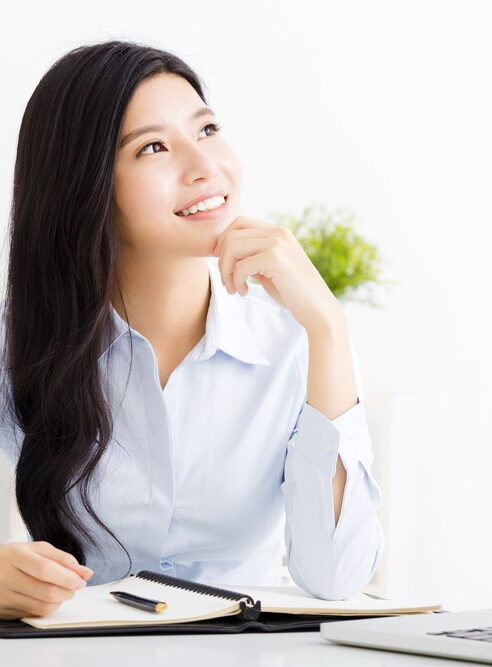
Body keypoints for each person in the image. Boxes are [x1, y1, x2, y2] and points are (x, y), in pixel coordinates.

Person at [0, 40, 384, 620]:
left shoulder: (294, 342)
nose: (205, 166)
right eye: (153, 147)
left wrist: (328, 325)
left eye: (206, 130)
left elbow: (337, 578)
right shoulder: (20, 342)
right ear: (86, 184)